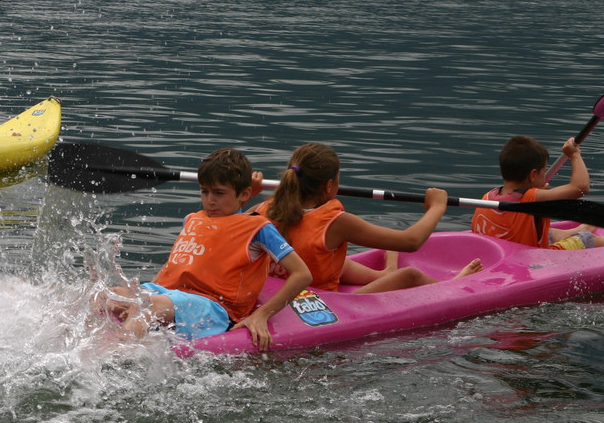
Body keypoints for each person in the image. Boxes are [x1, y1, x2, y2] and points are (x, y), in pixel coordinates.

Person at [102, 148, 312, 351]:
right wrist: (141, 292)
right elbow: (175, 264)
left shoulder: (260, 229)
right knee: (105, 296)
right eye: (205, 191)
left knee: (150, 305)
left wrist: (262, 315)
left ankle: (116, 356)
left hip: (215, 308)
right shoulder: (192, 220)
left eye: (219, 193)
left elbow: (302, 274)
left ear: (244, 194)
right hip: (171, 295)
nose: (210, 200)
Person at [257, 142, 481, 294]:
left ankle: (385, 274)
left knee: (332, 259)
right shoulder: (337, 223)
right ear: (329, 186)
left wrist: (247, 193)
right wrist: (437, 206)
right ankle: (453, 288)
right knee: (410, 275)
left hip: (276, 291)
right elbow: (411, 242)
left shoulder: (263, 209)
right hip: (321, 304)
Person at [471, 134, 604, 249]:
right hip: (531, 259)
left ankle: (578, 229)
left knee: (547, 232)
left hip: (500, 251)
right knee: (584, 239)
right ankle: (587, 235)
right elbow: (580, 188)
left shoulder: (487, 197)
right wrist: (575, 155)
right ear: (533, 175)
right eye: (544, 171)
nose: (545, 175)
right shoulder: (532, 198)